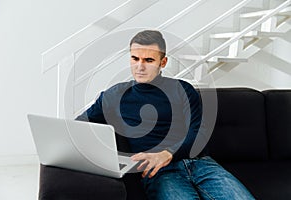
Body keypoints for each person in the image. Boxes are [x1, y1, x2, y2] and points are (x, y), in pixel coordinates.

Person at [76, 30, 255, 200]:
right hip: (159, 172)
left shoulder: (183, 89)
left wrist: (167, 153)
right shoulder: (113, 96)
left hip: (201, 164)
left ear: (163, 62)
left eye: (148, 60)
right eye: (134, 58)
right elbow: (79, 128)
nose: (140, 66)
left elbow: (198, 132)